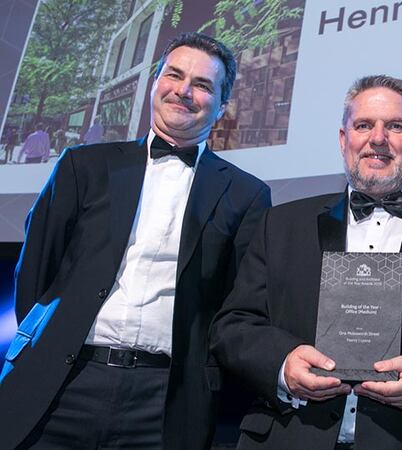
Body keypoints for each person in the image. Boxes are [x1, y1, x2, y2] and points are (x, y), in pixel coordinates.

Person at [209, 75, 402, 449]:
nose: (378, 138)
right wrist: (283, 364)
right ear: (344, 140)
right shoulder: (280, 225)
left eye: (395, 125)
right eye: (363, 125)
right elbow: (233, 326)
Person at [0, 32, 271, 449]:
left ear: (222, 106)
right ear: (154, 83)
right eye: (174, 75)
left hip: (165, 399)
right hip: (62, 382)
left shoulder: (246, 194)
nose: (184, 90)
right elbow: (36, 269)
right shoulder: (83, 166)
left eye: (202, 85)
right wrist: (51, 344)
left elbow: (235, 304)